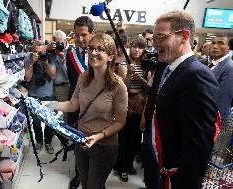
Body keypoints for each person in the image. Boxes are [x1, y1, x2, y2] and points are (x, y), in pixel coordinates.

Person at [147, 10, 220, 188]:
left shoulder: (197, 75)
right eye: (154, 39)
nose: (156, 45)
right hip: (160, 168)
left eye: (161, 38)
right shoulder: (169, 69)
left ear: (184, 36)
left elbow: (198, 146)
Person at [45, 33, 128, 189]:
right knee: (84, 183)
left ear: (110, 57)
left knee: (94, 185)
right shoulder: (83, 77)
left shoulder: (118, 86)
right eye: (91, 48)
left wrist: (98, 137)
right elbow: (73, 104)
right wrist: (49, 104)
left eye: (100, 49)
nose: (93, 52)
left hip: (104, 146)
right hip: (81, 140)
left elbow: (120, 121)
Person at [113, 36, 150, 182]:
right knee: (123, 138)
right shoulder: (123, 64)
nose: (136, 50)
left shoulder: (146, 66)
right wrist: (129, 74)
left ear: (143, 50)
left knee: (134, 139)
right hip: (126, 105)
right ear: (130, 47)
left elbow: (148, 88)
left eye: (140, 47)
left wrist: (140, 79)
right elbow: (124, 88)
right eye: (135, 46)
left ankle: (128, 165)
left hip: (140, 106)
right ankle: (121, 167)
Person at [65, 16, 94, 189]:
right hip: (75, 104)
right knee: (77, 139)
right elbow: (72, 80)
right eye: (76, 35)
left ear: (92, 34)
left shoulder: (101, 53)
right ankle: (79, 172)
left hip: (96, 106)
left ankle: (94, 172)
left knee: (92, 139)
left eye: (83, 35)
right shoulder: (71, 54)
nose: (80, 39)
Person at [24, 42, 57, 153]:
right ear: (32, 51)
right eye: (35, 52)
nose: (38, 55)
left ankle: (48, 142)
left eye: (41, 52)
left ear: (45, 51)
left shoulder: (50, 57)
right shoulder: (28, 58)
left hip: (49, 95)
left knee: (49, 121)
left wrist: (45, 63)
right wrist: (31, 63)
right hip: (33, 95)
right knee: (36, 121)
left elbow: (53, 76)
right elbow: (27, 79)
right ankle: (39, 141)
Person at [208, 35, 233, 120]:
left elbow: (223, 101)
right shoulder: (213, 64)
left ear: (228, 48)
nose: (215, 46)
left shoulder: (229, 67)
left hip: (214, 121)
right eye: (213, 43)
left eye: (220, 43)